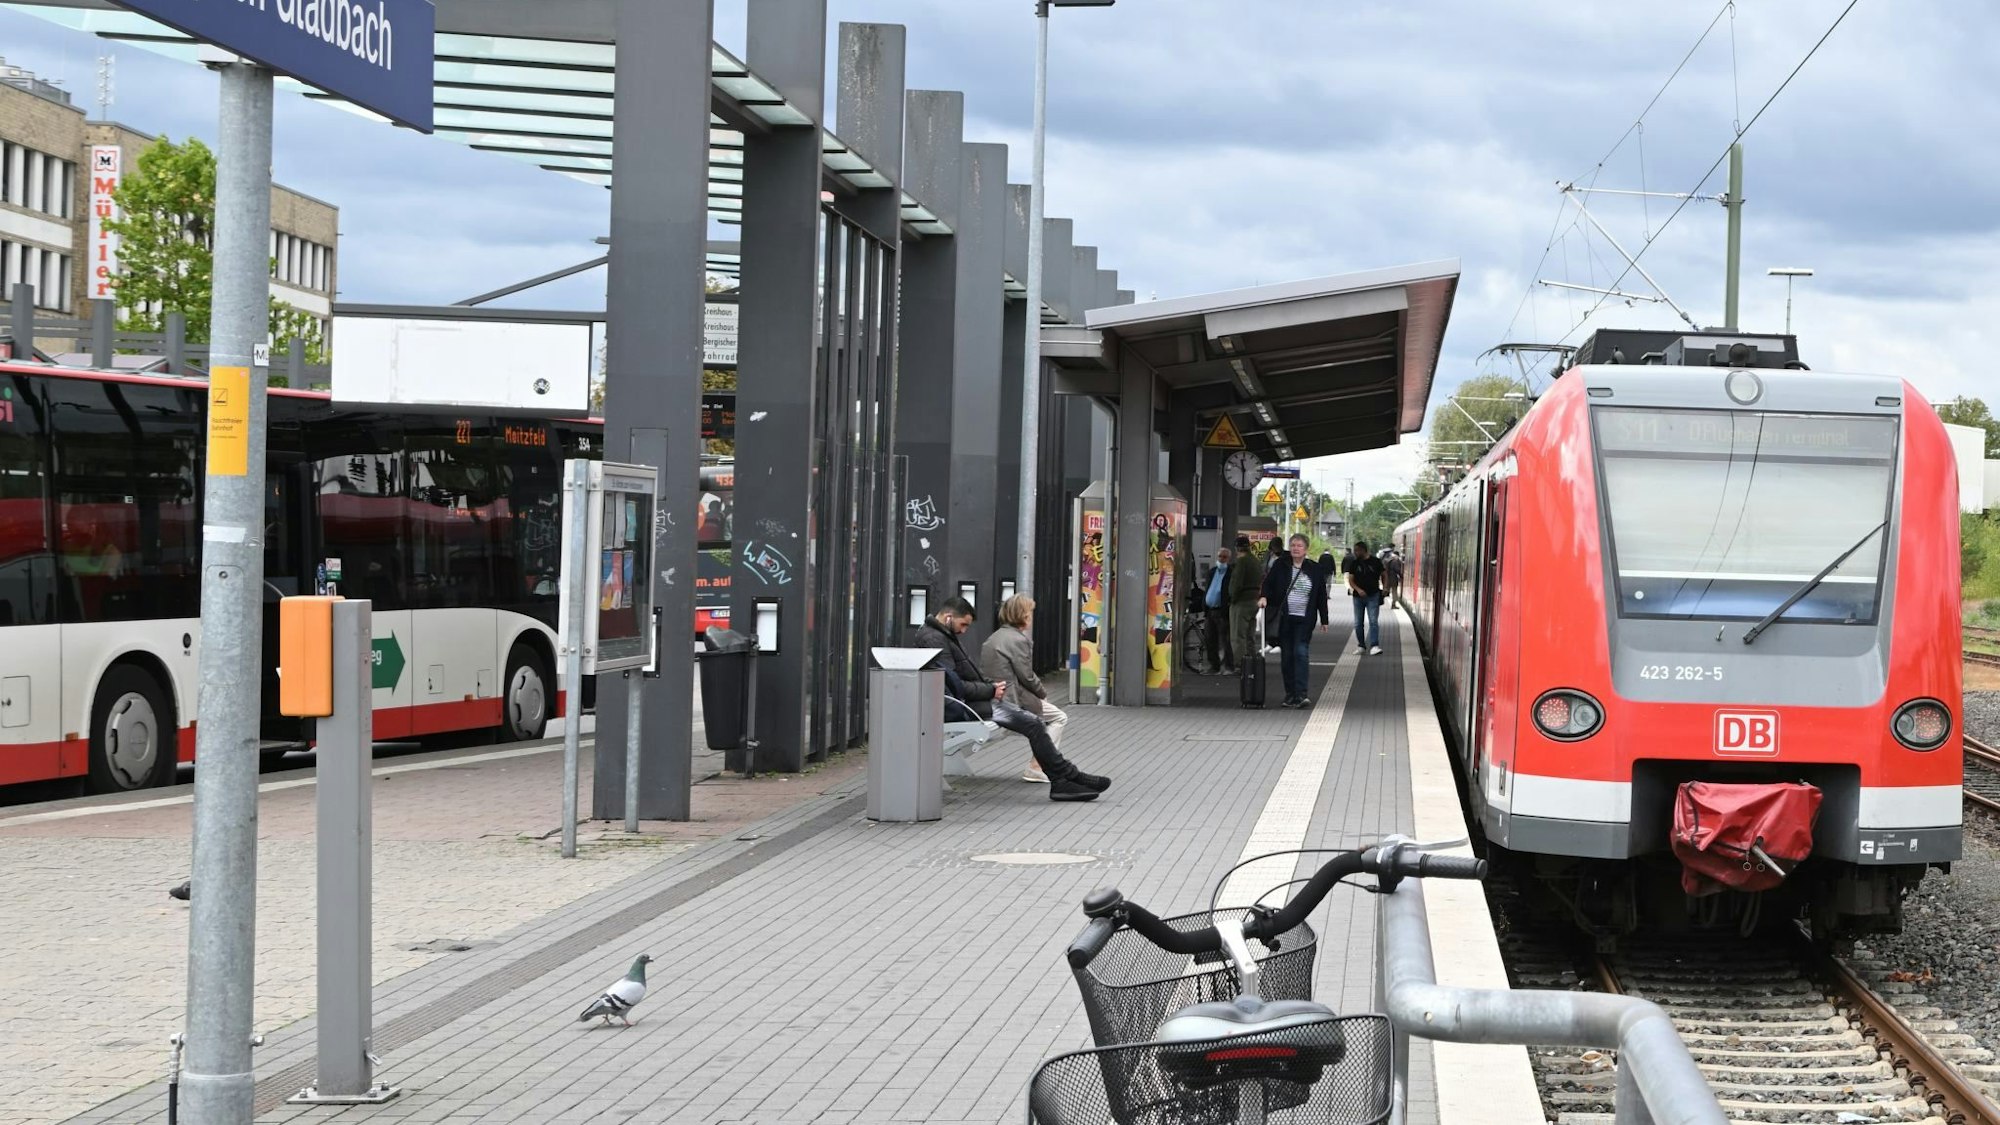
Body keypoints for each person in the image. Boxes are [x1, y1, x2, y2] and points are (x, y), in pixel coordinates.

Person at [914, 597, 1109, 801]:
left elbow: (955, 678)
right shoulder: (934, 639)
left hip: (964, 702)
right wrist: (989, 690)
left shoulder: (941, 634)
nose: (964, 631)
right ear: (948, 617)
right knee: (1033, 723)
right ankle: (1067, 777)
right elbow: (952, 683)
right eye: (963, 624)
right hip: (961, 705)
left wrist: (989, 689)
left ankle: (1064, 778)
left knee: (1033, 723)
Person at [981, 594, 1069, 783]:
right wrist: (1042, 694)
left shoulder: (994, 637)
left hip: (993, 695)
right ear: (1023, 615)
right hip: (1011, 698)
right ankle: (1037, 766)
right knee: (1059, 717)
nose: (1031, 617)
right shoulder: (1019, 641)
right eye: (1029, 613)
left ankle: (1037, 765)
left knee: (1047, 718)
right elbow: (1027, 676)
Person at [1258, 534, 1328, 709]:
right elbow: (1268, 584)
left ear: (1306, 550)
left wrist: (1324, 619)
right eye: (1293, 545)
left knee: (1301, 652)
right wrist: (1264, 597)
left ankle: (1301, 694)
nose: (1295, 548)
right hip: (1284, 619)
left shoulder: (1315, 569)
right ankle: (1290, 694)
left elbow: (1321, 596)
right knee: (1287, 656)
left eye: (1299, 545)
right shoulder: (1281, 565)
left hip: (1305, 619)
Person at [1225, 534, 1263, 672]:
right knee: (1249, 636)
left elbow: (1236, 584)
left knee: (1238, 636)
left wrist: (1232, 598)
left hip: (1241, 602)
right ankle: (1252, 662)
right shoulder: (1255, 561)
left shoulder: (1242, 562)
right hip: (1254, 600)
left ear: (1237, 548)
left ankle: (1240, 666)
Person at [1347, 540, 1386, 656]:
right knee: (1358, 623)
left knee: (1373, 621)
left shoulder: (1376, 562)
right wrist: (1358, 590)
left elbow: (1384, 574)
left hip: (1373, 595)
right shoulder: (1354, 563)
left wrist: (1385, 587)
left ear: (1363, 550)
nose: (1355, 552)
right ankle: (1361, 646)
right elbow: (1351, 580)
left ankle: (1374, 645)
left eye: (1357, 550)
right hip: (1357, 597)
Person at [1203, 547, 1235, 672]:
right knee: (1210, 639)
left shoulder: (1230, 573)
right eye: (1220, 556)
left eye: (1224, 557)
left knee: (1225, 640)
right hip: (1210, 610)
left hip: (1221, 610)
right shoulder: (1212, 571)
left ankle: (1228, 666)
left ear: (1229, 558)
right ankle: (1214, 665)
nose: (1221, 559)